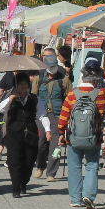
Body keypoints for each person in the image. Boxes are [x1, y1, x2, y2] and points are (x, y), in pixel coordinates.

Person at [57, 63, 105, 209]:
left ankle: (75, 199)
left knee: (74, 167)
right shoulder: (102, 93)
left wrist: (61, 133)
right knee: (92, 166)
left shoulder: (72, 94)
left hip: (73, 138)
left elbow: (64, 117)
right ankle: (88, 195)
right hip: (94, 137)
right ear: (96, 77)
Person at [0, 72, 40, 197]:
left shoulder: (34, 98)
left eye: (25, 85)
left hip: (31, 133)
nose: (23, 88)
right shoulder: (9, 98)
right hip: (14, 134)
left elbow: (41, 115)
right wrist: (11, 99)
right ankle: (16, 187)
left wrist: (48, 130)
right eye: (20, 85)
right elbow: (0, 109)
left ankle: (24, 182)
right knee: (14, 161)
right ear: (16, 86)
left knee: (29, 160)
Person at [35, 49, 72, 181]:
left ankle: (51, 173)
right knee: (41, 143)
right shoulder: (39, 78)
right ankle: (40, 166)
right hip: (42, 115)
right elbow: (34, 96)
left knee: (56, 145)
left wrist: (68, 116)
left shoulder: (64, 80)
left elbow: (70, 98)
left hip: (57, 115)